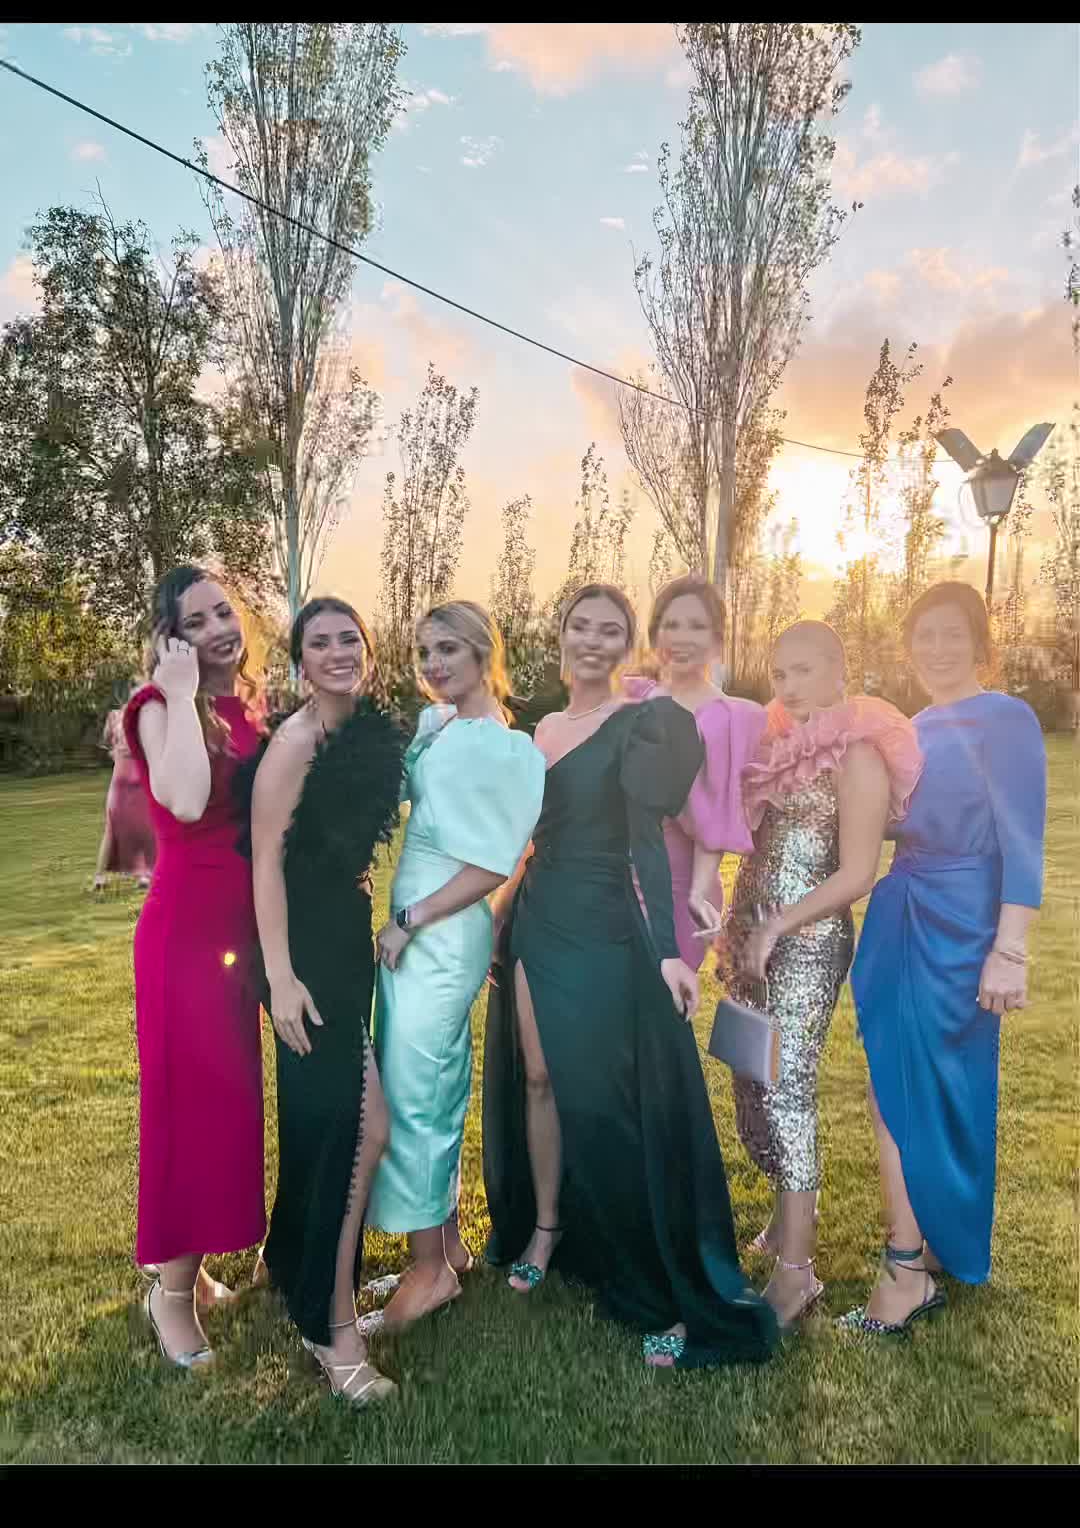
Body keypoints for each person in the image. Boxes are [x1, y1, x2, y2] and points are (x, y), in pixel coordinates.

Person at [482, 582, 778, 1370]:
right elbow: (526, 839)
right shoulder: (542, 727)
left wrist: (669, 951)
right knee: (538, 1078)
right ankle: (548, 1228)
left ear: (625, 645)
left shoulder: (642, 724)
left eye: (609, 630)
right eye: (580, 626)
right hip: (538, 917)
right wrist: (498, 916)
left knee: (606, 1102)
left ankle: (657, 1281)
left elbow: (647, 842)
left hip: (604, 927)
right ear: (561, 634)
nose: (592, 640)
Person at [843, 582, 1047, 1335]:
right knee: (894, 1082)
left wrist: (1010, 949)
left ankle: (907, 1271)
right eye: (923, 635)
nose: (937, 648)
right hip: (901, 912)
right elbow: (884, 824)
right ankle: (921, 1246)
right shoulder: (909, 728)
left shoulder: (1007, 718)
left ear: (980, 643)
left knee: (944, 1088)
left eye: (952, 633)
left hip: (963, 923)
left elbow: (1023, 838)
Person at [726, 622, 922, 1328]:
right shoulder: (780, 746)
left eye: (804, 670)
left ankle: (796, 1275)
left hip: (806, 942)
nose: (789, 687)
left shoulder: (860, 749)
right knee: (749, 1077)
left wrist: (779, 925)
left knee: (787, 1092)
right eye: (780, 674)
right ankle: (785, 1217)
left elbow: (857, 872)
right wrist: (742, 925)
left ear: (841, 669)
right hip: (752, 934)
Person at [365, 601, 545, 1335]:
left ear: (482, 652)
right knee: (429, 1085)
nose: (434, 664)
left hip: (438, 933)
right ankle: (446, 1249)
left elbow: (492, 864)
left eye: (448, 649)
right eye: (425, 651)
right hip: (415, 930)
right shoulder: (439, 726)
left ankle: (429, 1273)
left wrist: (409, 920)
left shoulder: (502, 747)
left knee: (417, 1092)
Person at [242, 600, 405, 1408]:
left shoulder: (365, 732)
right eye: (320, 643)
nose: (339, 651)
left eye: (350, 638)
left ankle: (297, 1265)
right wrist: (279, 977)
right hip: (302, 955)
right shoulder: (294, 743)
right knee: (357, 1129)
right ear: (299, 662)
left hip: (345, 938)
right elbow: (264, 863)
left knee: (334, 1124)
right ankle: (330, 1326)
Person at [124, 566, 266, 1369]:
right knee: (190, 1108)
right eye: (198, 621)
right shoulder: (157, 707)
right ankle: (170, 1296)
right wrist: (179, 693)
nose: (219, 629)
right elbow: (183, 799)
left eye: (224, 612)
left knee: (227, 1105)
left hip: (239, 936)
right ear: (172, 638)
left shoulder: (245, 708)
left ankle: (198, 1272)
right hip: (185, 935)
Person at [623, 573, 766, 968]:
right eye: (671, 625)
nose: (681, 638)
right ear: (655, 635)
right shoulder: (631, 700)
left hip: (678, 887)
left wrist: (699, 893)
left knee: (662, 996)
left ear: (717, 641)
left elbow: (714, 817)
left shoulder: (726, 720)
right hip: (611, 883)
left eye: (696, 627)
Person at [92, 689, 155, 893]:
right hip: (139, 779)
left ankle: (99, 876)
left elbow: (106, 742)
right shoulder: (142, 719)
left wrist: (116, 751)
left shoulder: (114, 717)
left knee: (111, 830)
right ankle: (145, 874)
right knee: (148, 828)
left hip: (118, 780)